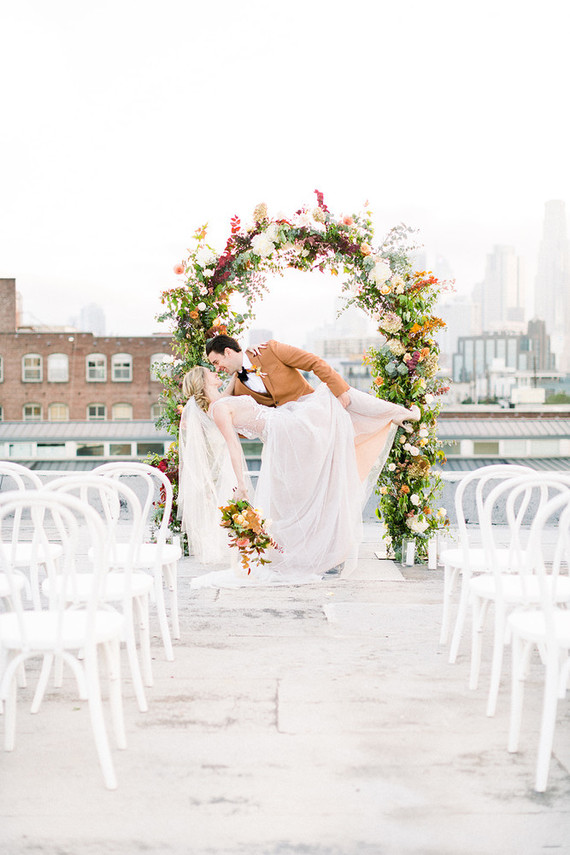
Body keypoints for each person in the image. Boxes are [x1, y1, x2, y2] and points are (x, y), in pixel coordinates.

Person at [178, 362, 418, 589]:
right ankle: (397, 413)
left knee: (334, 414)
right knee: (329, 394)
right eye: (209, 371)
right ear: (202, 380)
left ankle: (391, 416)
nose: (214, 371)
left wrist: (239, 363)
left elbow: (232, 383)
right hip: (285, 430)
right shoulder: (219, 409)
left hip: (284, 426)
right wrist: (241, 484)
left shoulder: (221, 402)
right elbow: (233, 446)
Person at [205, 333, 419, 491]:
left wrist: (339, 389)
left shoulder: (269, 349)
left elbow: (313, 362)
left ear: (228, 352)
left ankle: (398, 413)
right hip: (294, 428)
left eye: (216, 362)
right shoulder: (239, 387)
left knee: (344, 396)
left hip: (308, 405)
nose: (217, 368)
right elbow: (243, 424)